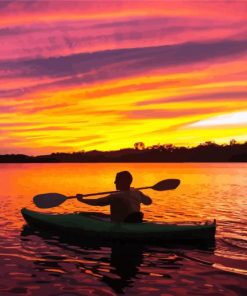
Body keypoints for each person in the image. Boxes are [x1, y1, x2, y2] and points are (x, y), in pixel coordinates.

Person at [76, 171, 152, 223]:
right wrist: (139, 193)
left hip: (122, 223)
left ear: (123, 182)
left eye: (117, 180)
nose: (114, 182)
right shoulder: (137, 192)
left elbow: (98, 202)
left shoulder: (116, 196)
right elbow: (149, 202)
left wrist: (81, 200)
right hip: (136, 220)